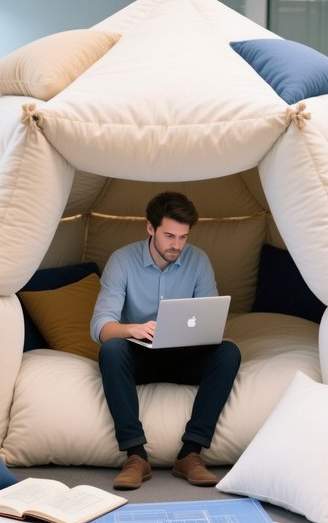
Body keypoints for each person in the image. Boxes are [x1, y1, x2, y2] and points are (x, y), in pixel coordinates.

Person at [90, 191, 241, 490]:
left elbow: (209, 317)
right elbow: (100, 326)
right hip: (140, 358)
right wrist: (132, 329)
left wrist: (200, 333)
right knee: (111, 349)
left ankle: (191, 453)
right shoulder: (122, 261)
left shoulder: (198, 261)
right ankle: (135, 456)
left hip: (184, 357)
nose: (177, 245)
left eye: (183, 237)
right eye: (170, 236)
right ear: (150, 228)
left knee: (228, 352)